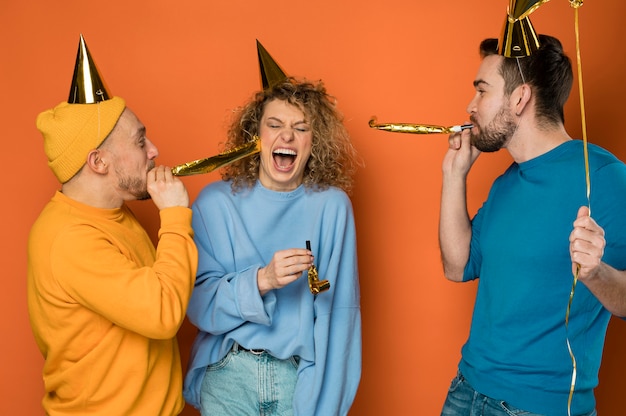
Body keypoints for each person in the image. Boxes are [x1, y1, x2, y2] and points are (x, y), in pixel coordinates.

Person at [438, 29, 626, 416]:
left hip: (539, 408)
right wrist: (454, 176)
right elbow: (457, 267)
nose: (471, 105)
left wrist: (594, 273)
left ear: (519, 97)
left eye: (482, 90)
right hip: (466, 392)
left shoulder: (605, 177)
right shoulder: (507, 181)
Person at [183, 42, 362, 416]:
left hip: (298, 378)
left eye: (301, 128)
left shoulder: (332, 207)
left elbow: (340, 316)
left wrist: (324, 407)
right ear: (255, 136)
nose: (287, 137)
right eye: (275, 125)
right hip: (228, 373)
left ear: (315, 142)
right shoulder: (215, 203)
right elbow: (198, 306)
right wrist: (262, 279)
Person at [27, 35, 198, 415]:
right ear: (99, 162)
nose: (153, 150)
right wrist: (173, 215)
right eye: (140, 142)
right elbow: (162, 313)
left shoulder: (114, 213)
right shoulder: (70, 240)